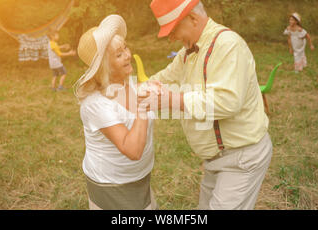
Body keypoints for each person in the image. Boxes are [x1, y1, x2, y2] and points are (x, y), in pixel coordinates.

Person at [146, 0, 273, 210]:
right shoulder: (187, 52)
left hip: (240, 157)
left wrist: (174, 100)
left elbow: (227, 102)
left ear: (193, 18)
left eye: (174, 30)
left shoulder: (228, 45)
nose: (172, 38)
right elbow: (164, 78)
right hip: (216, 159)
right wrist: (135, 91)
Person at [74, 15, 158, 210]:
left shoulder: (126, 82)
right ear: (104, 66)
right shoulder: (95, 104)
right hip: (112, 186)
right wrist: (143, 106)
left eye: (125, 48)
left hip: (139, 178)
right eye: (119, 54)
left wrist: (150, 90)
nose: (128, 55)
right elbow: (133, 150)